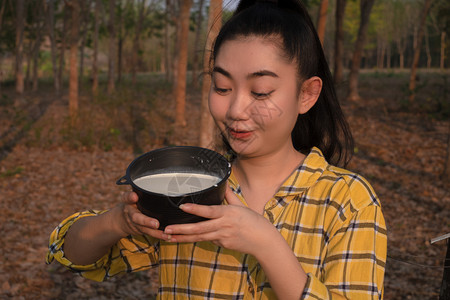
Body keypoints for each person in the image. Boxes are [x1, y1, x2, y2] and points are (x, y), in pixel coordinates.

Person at [46, 0, 387, 299]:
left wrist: (266, 244)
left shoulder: (348, 201)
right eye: (222, 87)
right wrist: (120, 221)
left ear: (306, 95)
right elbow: (73, 254)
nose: (236, 109)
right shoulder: (188, 192)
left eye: (261, 91)